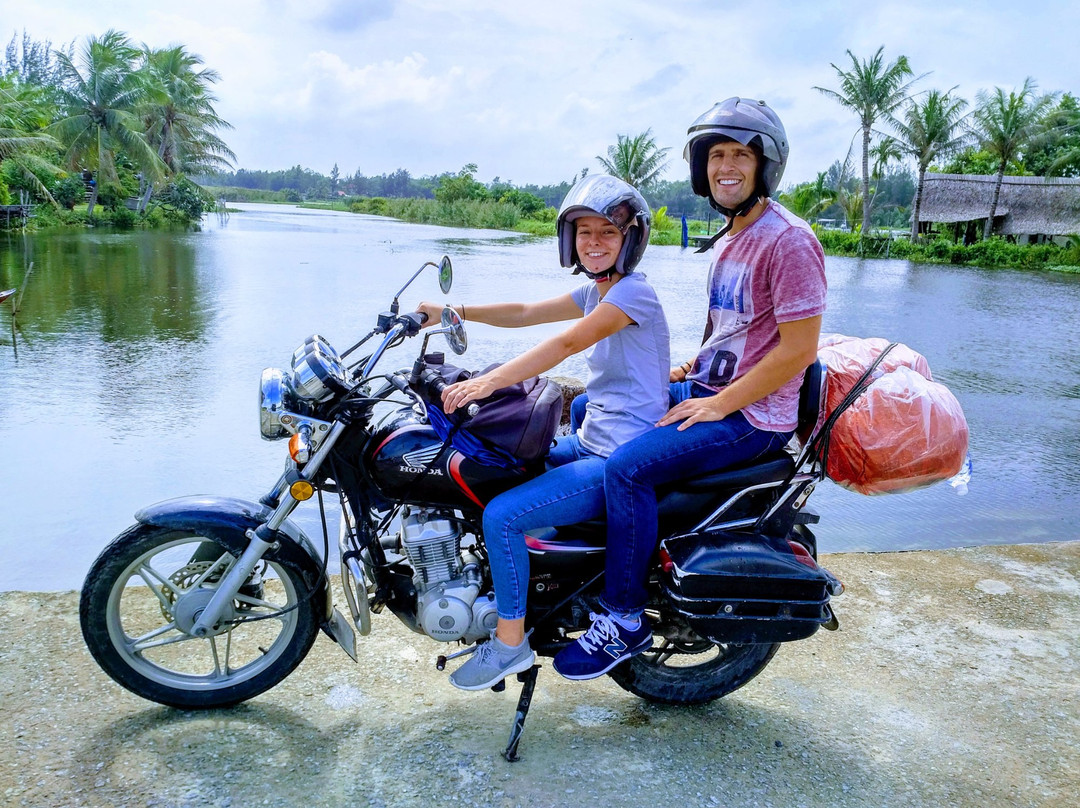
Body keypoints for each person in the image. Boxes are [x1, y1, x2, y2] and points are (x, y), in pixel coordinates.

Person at [552, 97, 827, 680]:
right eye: (717, 155)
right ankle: (582, 557)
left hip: (753, 418)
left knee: (627, 467)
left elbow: (798, 351)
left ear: (765, 165)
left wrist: (719, 403)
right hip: (712, 390)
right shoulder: (730, 239)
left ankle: (622, 617)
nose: (726, 167)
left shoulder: (790, 241)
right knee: (583, 405)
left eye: (740, 156)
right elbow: (732, 330)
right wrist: (685, 372)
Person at [415, 174, 671, 691]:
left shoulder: (632, 295)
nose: (594, 242)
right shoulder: (597, 290)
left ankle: (510, 645)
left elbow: (564, 345)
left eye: (607, 232)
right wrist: (450, 313)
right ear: (569, 241)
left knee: (504, 516)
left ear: (631, 240)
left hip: (617, 457)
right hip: (594, 438)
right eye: (584, 233)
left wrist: (487, 382)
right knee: (495, 472)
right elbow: (528, 313)